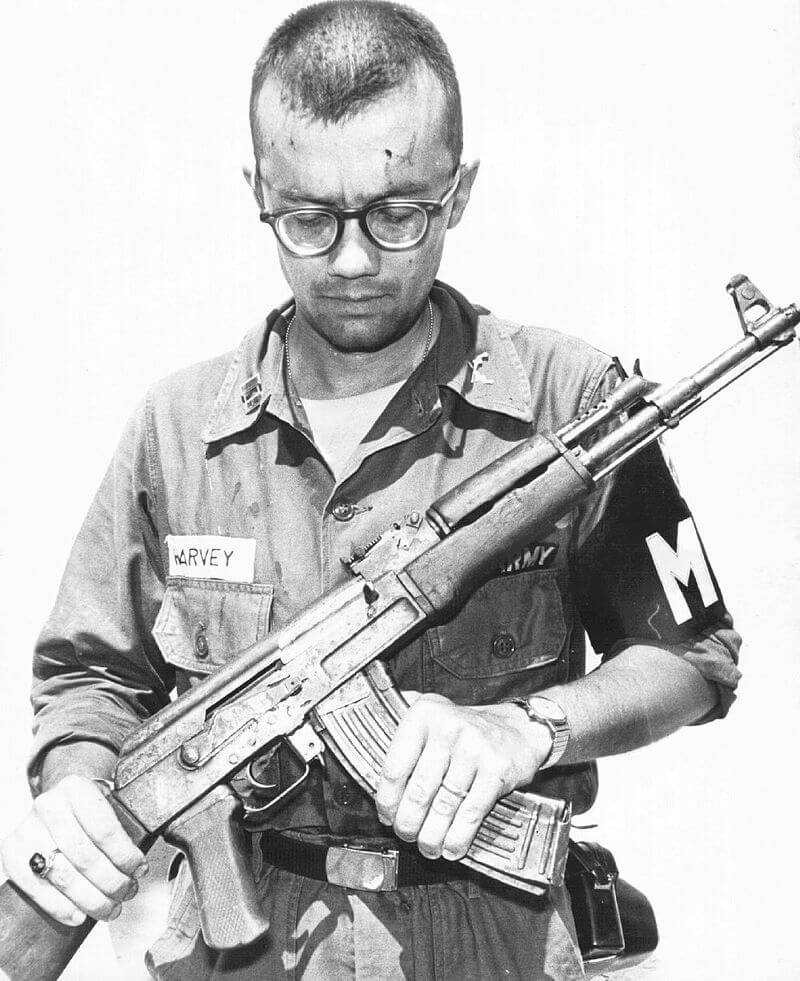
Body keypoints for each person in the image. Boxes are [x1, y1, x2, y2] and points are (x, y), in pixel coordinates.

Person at [0, 3, 742, 979]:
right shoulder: (176, 428)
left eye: (397, 213)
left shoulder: (573, 405)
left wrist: (524, 730)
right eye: (307, 218)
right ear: (256, 192)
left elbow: (693, 658)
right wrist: (84, 787)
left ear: (458, 189)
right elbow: (90, 680)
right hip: (244, 943)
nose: (351, 260)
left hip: (492, 937)